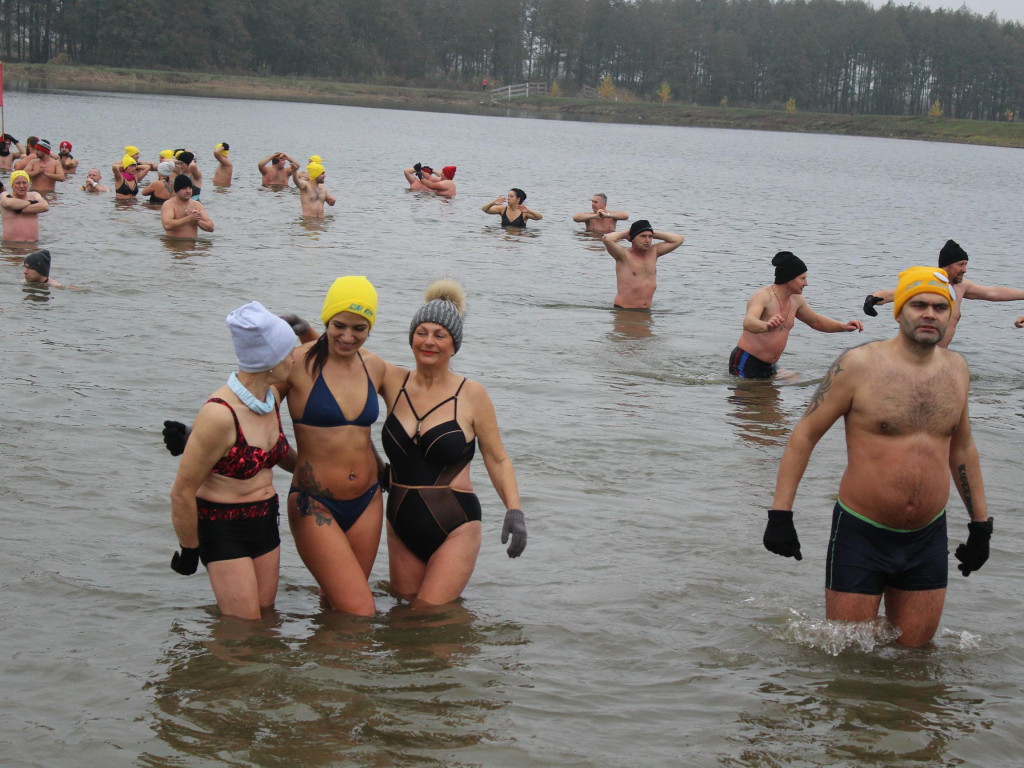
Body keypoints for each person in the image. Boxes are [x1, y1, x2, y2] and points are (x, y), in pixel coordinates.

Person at [764, 266, 992, 647]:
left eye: (940, 307)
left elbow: (963, 447)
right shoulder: (858, 365)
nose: (929, 314)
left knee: (916, 659)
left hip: (927, 536)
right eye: (918, 304)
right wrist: (780, 514)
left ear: (951, 315)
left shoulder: (957, 370)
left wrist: (980, 525)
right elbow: (804, 435)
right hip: (862, 532)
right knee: (848, 657)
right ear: (899, 311)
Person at [164, 277, 388, 616]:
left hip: (365, 500)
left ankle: (327, 666)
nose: (348, 335)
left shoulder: (375, 366)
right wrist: (197, 435)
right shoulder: (293, 363)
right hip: (314, 501)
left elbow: (366, 425)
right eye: (339, 325)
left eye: (360, 327)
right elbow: (249, 403)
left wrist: (389, 470)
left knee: (335, 610)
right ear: (327, 321)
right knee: (359, 611)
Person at [378, 279, 528, 606]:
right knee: (403, 618)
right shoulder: (391, 380)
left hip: (455, 524)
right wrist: (307, 336)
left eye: (439, 335)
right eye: (421, 332)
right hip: (399, 522)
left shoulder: (471, 394)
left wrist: (514, 510)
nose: (428, 341)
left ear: (454, 344)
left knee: (430, 614)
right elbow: (345, 357)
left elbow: (497, 459)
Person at [169, 301, 298, 620]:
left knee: (266, 620)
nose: (295, 357)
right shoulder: (219, 414)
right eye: (288, 351)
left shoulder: (270, 396)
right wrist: (189, 549)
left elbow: (278, 454)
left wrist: (318, 471)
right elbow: (181, 491)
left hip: (265, 520)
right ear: (269, 360)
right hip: (224, 527)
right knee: (243, 630)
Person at [863, 239, 1024, 347]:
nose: (964, 269)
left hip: (940, 356)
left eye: (966, 264)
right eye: (961, 264)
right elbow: (894, 293)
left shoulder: (962, 287)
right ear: (947, 265)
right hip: (919, 354)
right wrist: (872, 299)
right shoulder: (929, 281)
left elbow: (992, 293)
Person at [730, 251, 864, 378]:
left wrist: (844, 327)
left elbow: (815, 321)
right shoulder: (763, 296)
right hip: (746, 361)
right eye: (802, 279)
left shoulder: (796, 300)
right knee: (755, 400)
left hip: (769, 365)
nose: (806, 283)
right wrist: (765, 325)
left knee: (793, 379)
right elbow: (748, 322)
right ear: (789, 278)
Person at [600, 219, 684, 309]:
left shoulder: (654, 252)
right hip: (624, 312)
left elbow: (679, 239)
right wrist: (625, 233)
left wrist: (650, 231)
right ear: (633, 238)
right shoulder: (623, 255)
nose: (647, 240)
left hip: (646, 313)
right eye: (643, 236)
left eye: (650, 237)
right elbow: (607, 239)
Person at [1, 170, 50, 242]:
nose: (21, 186)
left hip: (32, 245)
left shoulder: (34, 195)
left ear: (28, 184)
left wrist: (19, 209)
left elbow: (45, 206)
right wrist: (31, 202)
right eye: (18, 183)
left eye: (24, 183)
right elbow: (7, 203)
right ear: (12, 184)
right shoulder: (5, 195)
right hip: (10, 246)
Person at [161, 174, 214, 238]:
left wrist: (198, 221)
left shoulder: (197, 205)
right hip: (173, 245)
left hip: (192, 246)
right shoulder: (169, 204)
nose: (188, 191)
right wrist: (189, 219)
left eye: (190, 188)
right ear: (177, 190)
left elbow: (211, 227)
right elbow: (167, 225)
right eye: (184, 188)